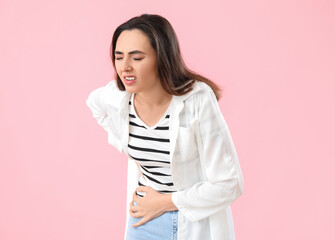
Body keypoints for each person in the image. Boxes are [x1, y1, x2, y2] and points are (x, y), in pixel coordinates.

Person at [86, 13, 244, 240]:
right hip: (142, 220)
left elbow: (229, 183)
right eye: (119, 57)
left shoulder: (196, 99)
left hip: (190, 222)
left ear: (162, 58)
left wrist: (164, 202)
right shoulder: (118, 97)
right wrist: (124, 141)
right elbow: (94, 104)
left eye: (137, 58)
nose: (125, 67)